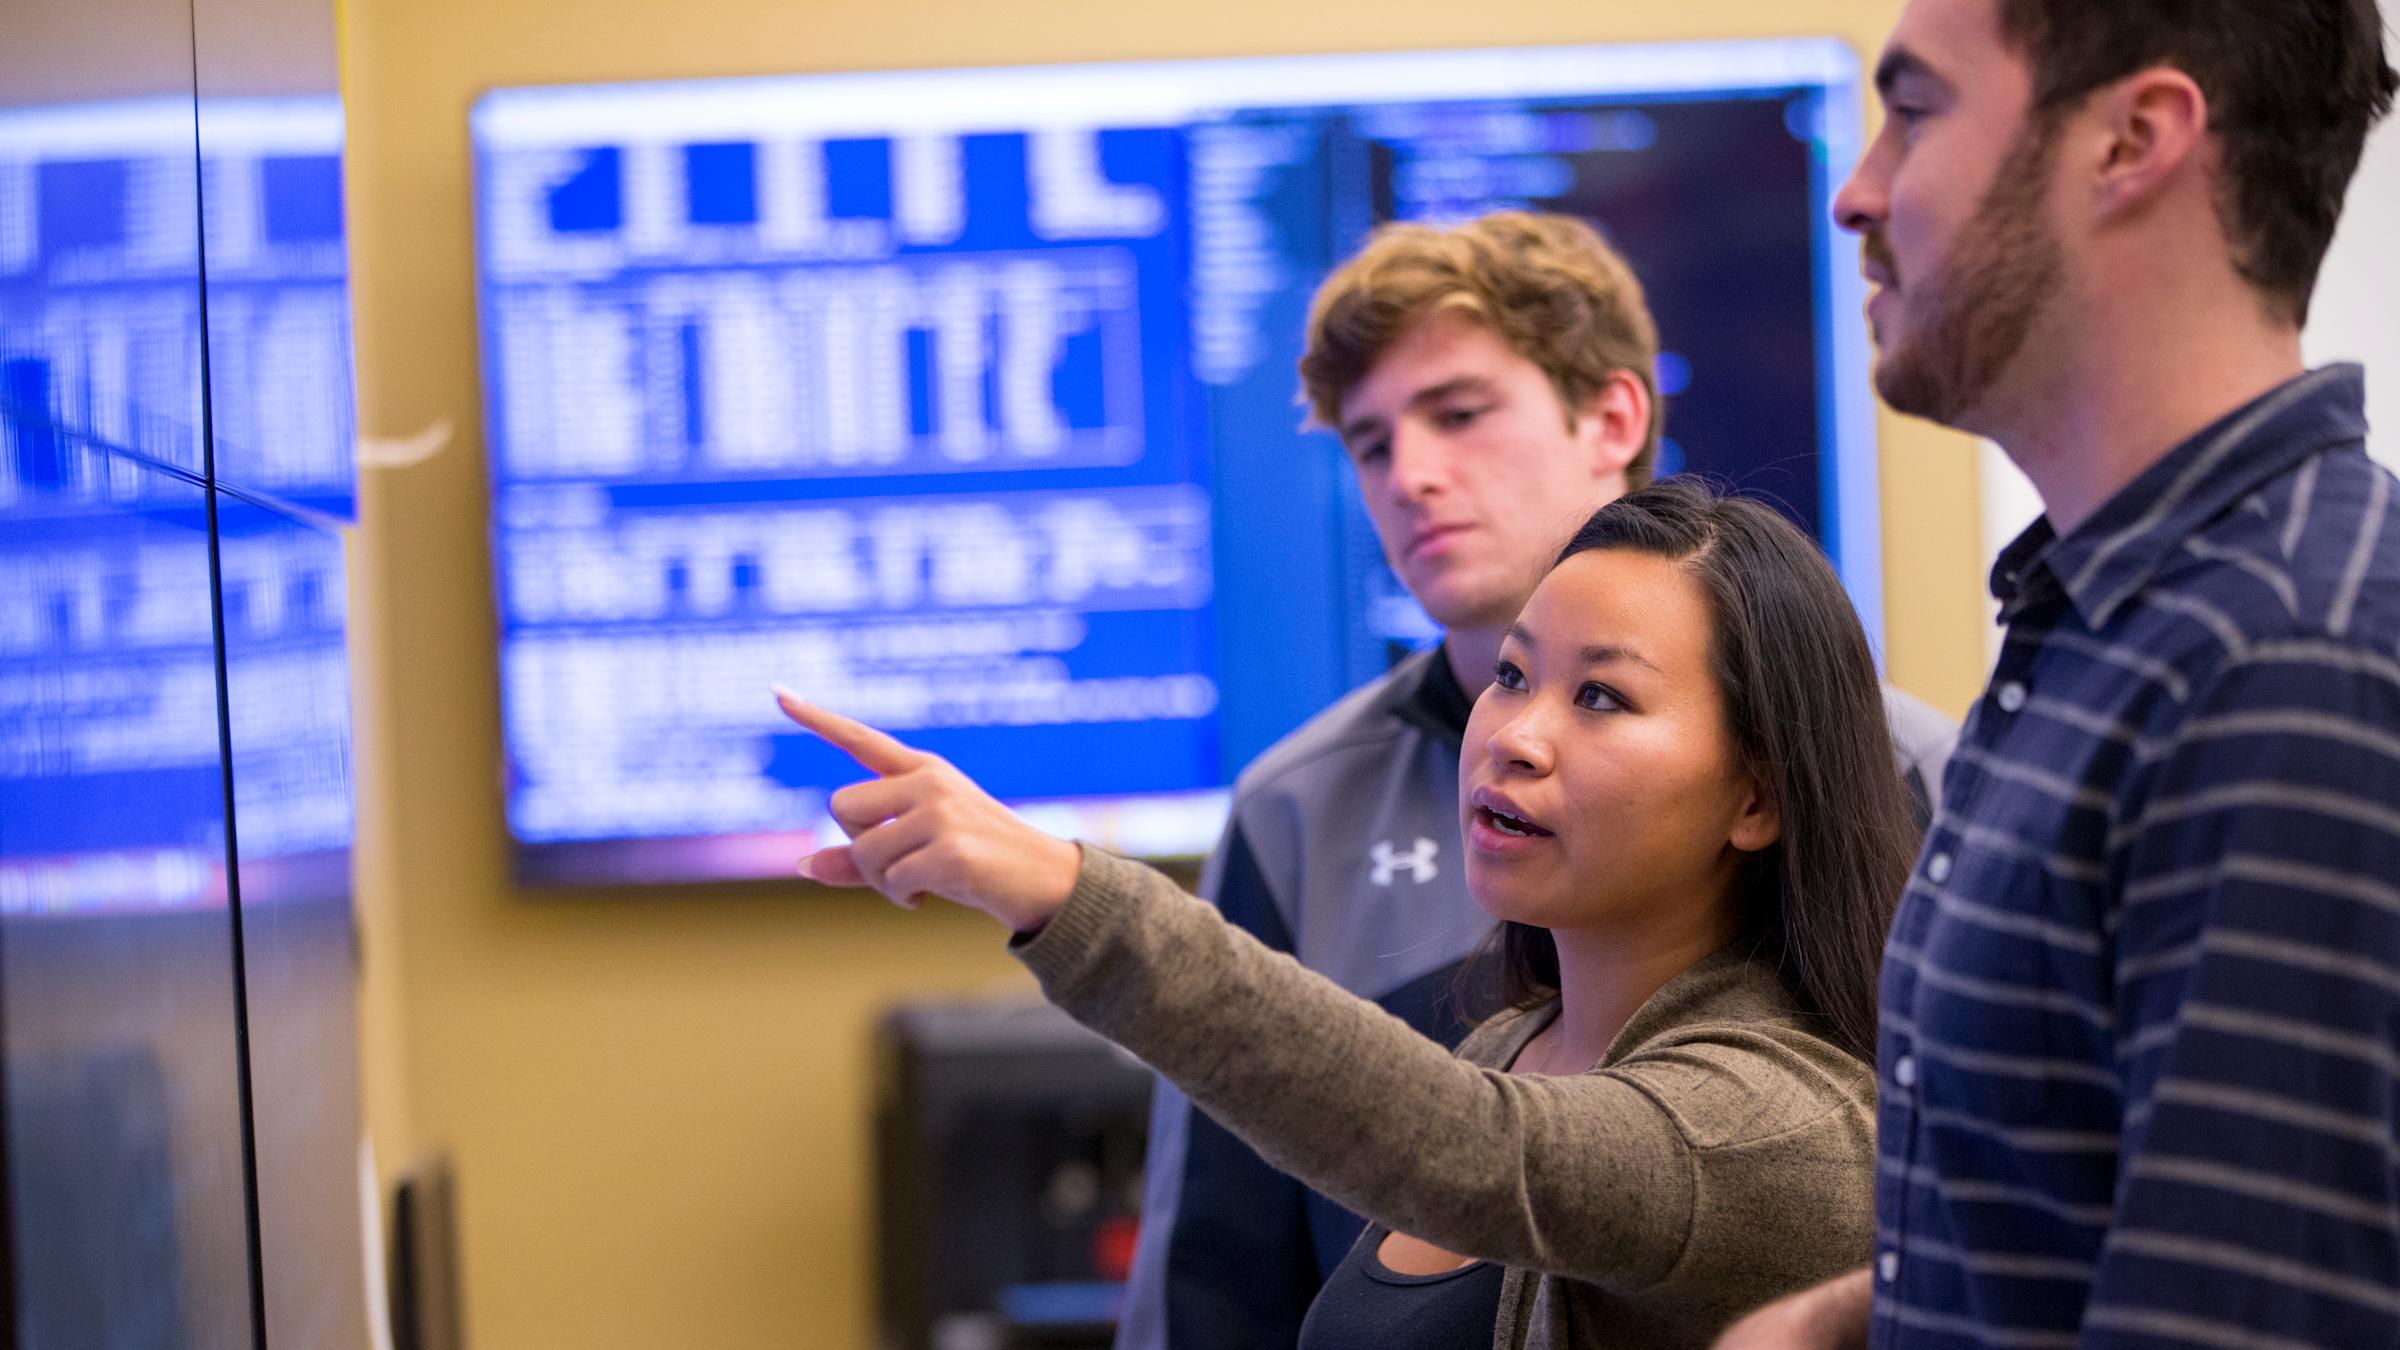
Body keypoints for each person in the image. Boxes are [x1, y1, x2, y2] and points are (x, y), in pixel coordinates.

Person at [779, 478, 1923, 1349]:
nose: (1516, 737)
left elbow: (1470, 1146)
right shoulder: (1511, 1040)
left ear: (1758, 797)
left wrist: (1066, 893)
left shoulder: (1774, 1120)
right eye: (1513, 676)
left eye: (1602, 697)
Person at [1124, 211, 1958, 1349]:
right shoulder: (1298, 810)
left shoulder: (1910, 772)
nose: (1412, 476)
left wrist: (1069, 905)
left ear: (1613, 418)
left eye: (1460, 414)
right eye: (1371, 444)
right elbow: (1213, 1276)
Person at [1717, 1, 2400, 1347]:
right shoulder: (2113, 620)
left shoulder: (2280, 667)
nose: (1857, 191)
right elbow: (2100, 1213)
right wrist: (1854, 1319)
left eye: (1916, 112)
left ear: (2132, 141)